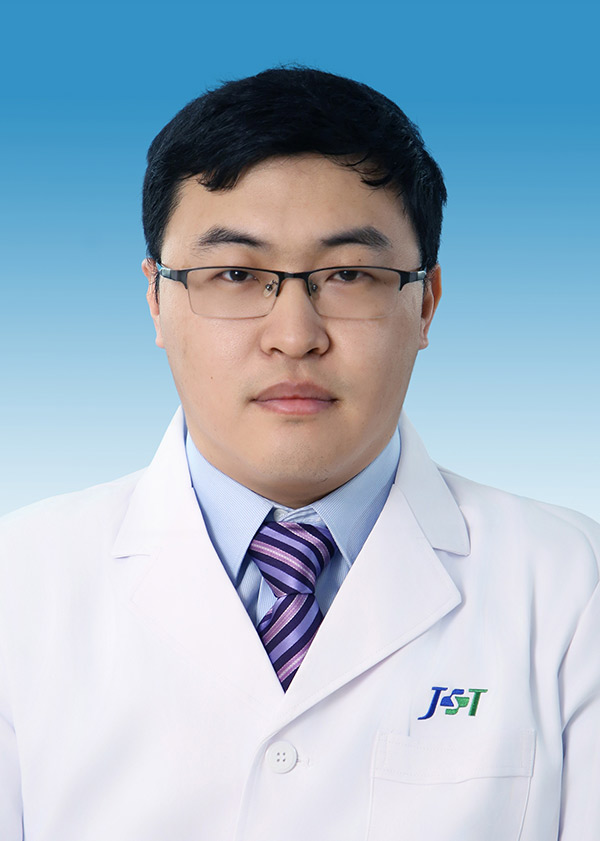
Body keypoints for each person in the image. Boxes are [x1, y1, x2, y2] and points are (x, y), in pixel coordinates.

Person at [0, 67, 598, 841]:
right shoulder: (19, 586)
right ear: (156, 299)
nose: (293, 335)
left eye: (348, 274)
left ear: (426, 302)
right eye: (236, 274)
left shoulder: (572, 587)